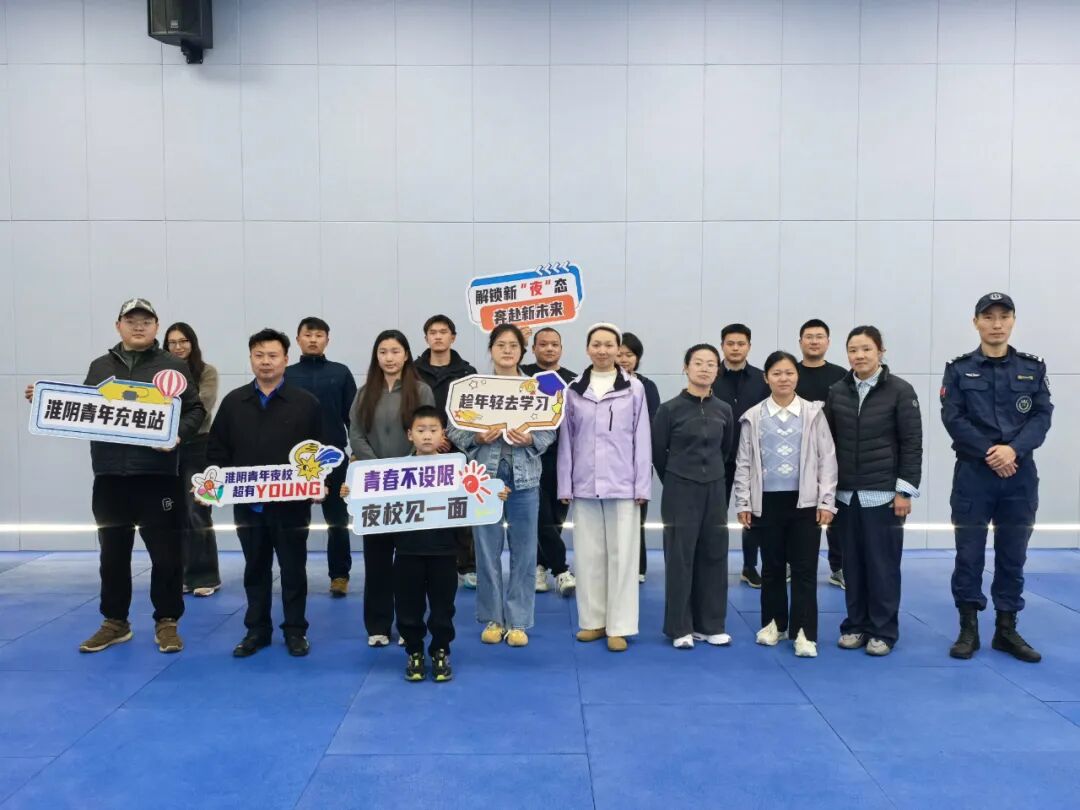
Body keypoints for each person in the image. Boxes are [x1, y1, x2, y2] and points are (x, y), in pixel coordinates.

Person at [26, 299, 205, 654]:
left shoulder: (172, 366)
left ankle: (167, 621)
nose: (138, 326)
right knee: (112, 556)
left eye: (146, 321)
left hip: (158, 477)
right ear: (118, 325)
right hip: (110, 476)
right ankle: (115, 622)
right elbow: (82, 409)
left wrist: (177, 434)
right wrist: (47, 401)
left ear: (156, 326)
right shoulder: (100, 366)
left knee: (167, 556)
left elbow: (195, 409)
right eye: (131, 320)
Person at [941, 293, 1052, 663]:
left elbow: (1042, 416)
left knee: (1013, 554)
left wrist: (1013, 451)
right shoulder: (959, 369)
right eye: (988, 317)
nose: (997, 324)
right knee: (969, 554)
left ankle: (1006, 628)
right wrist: (992, 452)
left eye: (1004, 316)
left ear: (1013, 320)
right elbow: (953, 418)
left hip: (1019, 475)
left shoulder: (1032, 368)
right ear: (976, 323)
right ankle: (968, 629)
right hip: (974, 473)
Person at [207, 328, 322, 658]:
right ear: (251, 359)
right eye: (259, 355)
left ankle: (295, 630)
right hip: (249, 506)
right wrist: (211, 485)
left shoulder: (306, 404)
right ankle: (257, 630)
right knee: (255, 569)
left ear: (286, 359)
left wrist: (318, 481)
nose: (266, 362)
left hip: (291, 507)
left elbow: (319, 451)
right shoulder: (233, 403)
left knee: (293, 569)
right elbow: (217, 451)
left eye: (273, 355)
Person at [343, 406, 474, 682]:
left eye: (433, 430)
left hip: (444, 552)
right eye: (420, 430)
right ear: (409, 435)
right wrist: (352, 491)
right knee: (408, 608)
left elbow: (478, 495)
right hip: (407, 552)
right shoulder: (395, 471)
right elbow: (372, 497)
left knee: (443, 608)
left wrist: (496, 493)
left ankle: (440, 650)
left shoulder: (458, 469)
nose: (427, 436)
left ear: (443, 434)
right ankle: (414, 651)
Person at [447, 324, 554, 647]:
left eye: (513, 345)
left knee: (525, 551)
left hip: (526, 477)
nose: (507, 350)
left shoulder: (538, 388)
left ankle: (519, 621)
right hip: (484, 478)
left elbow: (551, 428)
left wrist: (531, 439)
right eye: (501, 345)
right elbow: (454, 429)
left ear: (522, 351)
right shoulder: (473, 388)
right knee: (485, 550)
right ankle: (493, 618)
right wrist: (477, 437)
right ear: (491, 349)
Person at [825, 326, 923, 657]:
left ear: (881, 351)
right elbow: (828, 443)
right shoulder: (837, 391)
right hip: (845, 496)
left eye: (866, 349)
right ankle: (855, 625)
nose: (859, 355)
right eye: (853, 350)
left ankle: (883, 630)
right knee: (851, 567)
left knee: (882, 567)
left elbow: (912, 443)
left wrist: (904, 491)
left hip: (883, 496)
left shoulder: (900, 391)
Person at [735, 351, 838, 659]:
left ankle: (804, 633)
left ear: (797, 376)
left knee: (805, 569)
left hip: (805, 503)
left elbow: (827, 460)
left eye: (789, 373)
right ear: (766, 378)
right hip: (766, 503)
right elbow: (743, 462)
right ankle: (773, 625)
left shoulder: (813, 414)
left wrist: (826, 501)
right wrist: (743, 501)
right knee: (772, 567)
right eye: (777, 373)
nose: (784, 378)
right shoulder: (753, 416)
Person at [559, 323, 652, 653]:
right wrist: (565, 483)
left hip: (623, 484)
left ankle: (620, 626)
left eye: (609, 345)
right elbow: (567, 440)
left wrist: (642, 485)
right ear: (587, 349)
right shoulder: (573, 389)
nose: (602, 350)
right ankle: (594, 621)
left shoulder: (634, 388)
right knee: (588, 557)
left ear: (618, 349)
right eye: (596, 344)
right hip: (584, 484)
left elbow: (642, 437)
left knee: (623, 557)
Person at [349, 330, 435, 647]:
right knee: (377, 561)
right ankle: (378, 626)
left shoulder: (421, 391)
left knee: (411, 562)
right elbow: (356, 434)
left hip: (412, 485)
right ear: (376, 356)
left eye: (395, 351)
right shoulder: (364, 393)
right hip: (375, 488)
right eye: (383, 351)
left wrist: (403, 468)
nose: (389, 357)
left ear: (406, 355)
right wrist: (378, 469)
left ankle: (410, 624)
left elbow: (427, 432)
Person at [652, 344, 733, 650]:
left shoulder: (724, 409)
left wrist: (711, 475)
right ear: (685, 367)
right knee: (680, 558)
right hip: (679, 488)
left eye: (711, 364)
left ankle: (710, 625)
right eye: (698, 363)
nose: (704, 368)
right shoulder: (669, 409)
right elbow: (658, 453)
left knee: (715, 555)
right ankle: (680, 627)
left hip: (714, 488)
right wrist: (677, 479)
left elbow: (726, 450)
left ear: (717, 370)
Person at [285, 316, 358, 597]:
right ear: (298, 339)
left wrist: (356, 452)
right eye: (308, 335)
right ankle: (293, 574)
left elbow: (353, 417)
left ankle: (339, 575)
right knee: (294, 522)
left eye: (319, 335)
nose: (313, 339)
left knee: (337, 521)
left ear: (327, 339)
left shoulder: (340, 372)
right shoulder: (287, 374)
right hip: (294, 462)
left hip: (334, 458)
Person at [414, 314, 479, 590]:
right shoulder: (413, 370)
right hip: (421, 449)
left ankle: (467, 566)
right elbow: (408, 408)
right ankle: (425, 561)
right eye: (433, 332)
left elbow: (472, 412)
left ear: (453, 337)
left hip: (457, 448)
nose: (438, 336)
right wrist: (426, 439)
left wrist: (448, 438)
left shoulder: (467, 372)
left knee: (460, 507)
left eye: (443, 332)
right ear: (426, 337)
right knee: (424, 507)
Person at [164, 321, 221, 597]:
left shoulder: (207, 372)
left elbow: (202, 405)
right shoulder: (157, 374)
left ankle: (205, 576)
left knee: (197, 510)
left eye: (183, 341)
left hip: (199, 445)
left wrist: (168, 408)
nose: (178, 347)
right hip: (165, 448)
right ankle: (181, 574)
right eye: (172, 342)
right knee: (170, 512)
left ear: (193, 343)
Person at [521, 326, 578, 597]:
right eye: (543, 344)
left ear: (561, 349)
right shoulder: (521, 375)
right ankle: (560, 569)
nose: (549, 348)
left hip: (563, 456)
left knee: (556, 517)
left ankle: (539, 565)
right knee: (540, 514)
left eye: (554, 344)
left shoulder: (574, 381)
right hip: (528, 454)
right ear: (533, 348)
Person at [712, 323, 770, 588]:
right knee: (715, 515)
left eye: (741, 344)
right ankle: (714, 566)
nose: (735, 348)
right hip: (717, 457)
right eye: (730, 343)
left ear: (749, 346)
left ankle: (749, 566)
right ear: (722, 345)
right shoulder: (711, 375)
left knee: (753, 515)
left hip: (754, 458)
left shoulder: (762, 378)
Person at [795, 318, 849, 589]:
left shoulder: (842, 375)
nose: (814, 341)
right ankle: (794, 564)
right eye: (809, 336)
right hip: (795, 455)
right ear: (800, 342)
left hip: (834, 454)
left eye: (819, 336)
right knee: (798, 513)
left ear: (828, 342)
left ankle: (838, 567)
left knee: (836, 513)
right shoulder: (790, 372)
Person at [616, 332, 661, 584]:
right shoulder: (595, 384)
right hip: (608, 462)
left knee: (636, 517)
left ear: (637, 358)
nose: (624, 359)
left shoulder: (647, 386)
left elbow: (653, 422)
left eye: (629, 354)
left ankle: (638, 566)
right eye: (619, 354)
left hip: (637, 461)